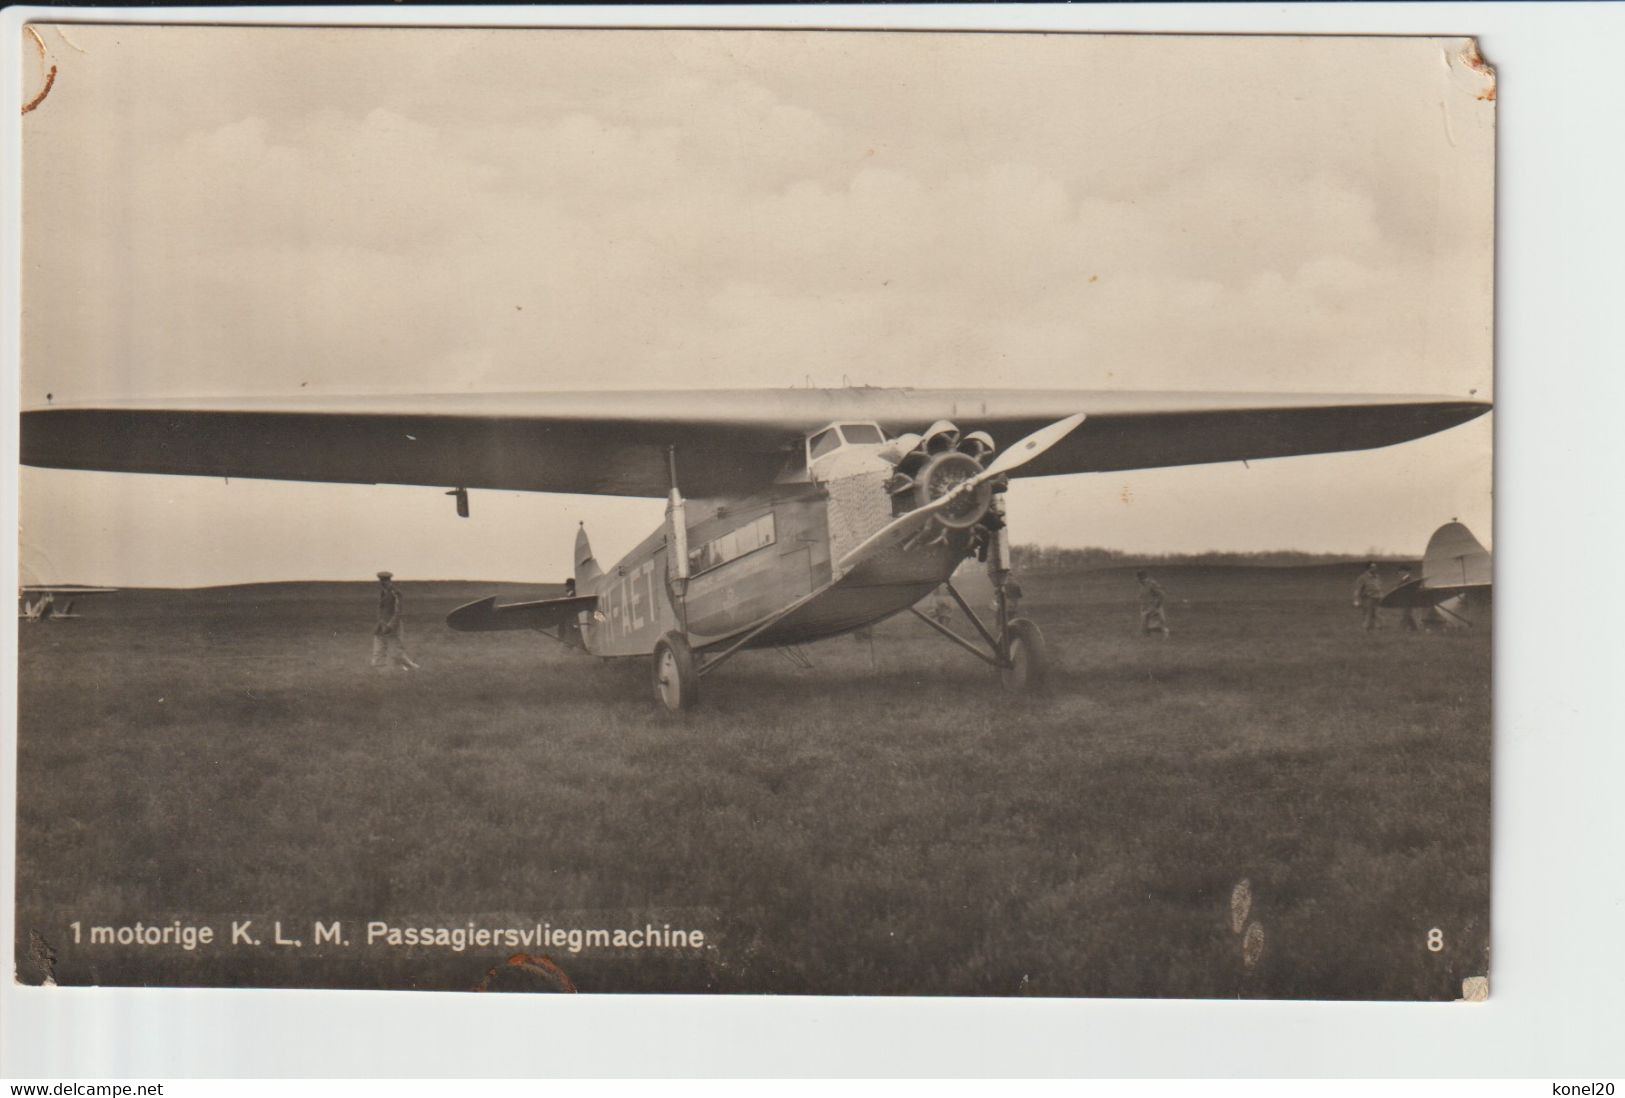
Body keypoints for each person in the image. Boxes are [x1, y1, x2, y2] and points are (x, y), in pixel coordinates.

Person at [372, 571, 420, 670]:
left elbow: (398, 611)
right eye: (382, 580)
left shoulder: (396, 593)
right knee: (378, 650)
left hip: (392, 626)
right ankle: (377, 671)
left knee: (396, 652)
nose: (383, 582)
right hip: (381, 626)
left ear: (390, 581)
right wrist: (380, 624)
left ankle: (412, 667)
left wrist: (390, 625)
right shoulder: (383, 593)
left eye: (385, 580)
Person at [1137, 569, 1170, 638]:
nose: (1139, 579)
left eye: (1141, 577)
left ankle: (1166, 636)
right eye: (1139, 578)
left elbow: (1161, 594)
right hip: (1145, 606)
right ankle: (1146, 639)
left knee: (1158, 623)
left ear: (1144, 576)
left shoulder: (1152, 584)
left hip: (1154, 606)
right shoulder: (1141, 584)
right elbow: (1142, 595)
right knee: (1144, 624)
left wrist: (1158, 604)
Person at [1353, 561, 1384, 631]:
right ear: (1368, 568)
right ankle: (1367, 629)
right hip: (1368, 599)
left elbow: (1379, 587)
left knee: (1378, 613)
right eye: (1373, 567)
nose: (1375, 568)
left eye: (1375, 567)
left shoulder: (1377, 577)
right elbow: (1358, 589)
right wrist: (1356, 600)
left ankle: (1379, 628)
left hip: (1378, 598)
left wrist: (1382, 596)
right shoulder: (1362, 577)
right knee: (1367, 614)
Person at [1394, 567, 1419, 632]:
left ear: (1405, 572)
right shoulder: (1402, 580)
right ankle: (1414, 629)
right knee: (1408, 615)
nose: (1399, 573)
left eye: (1400, 571)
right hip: (1404, 599)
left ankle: (1401, 630)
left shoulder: (1410, 580)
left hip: (1409, 600)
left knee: (1405, 615)